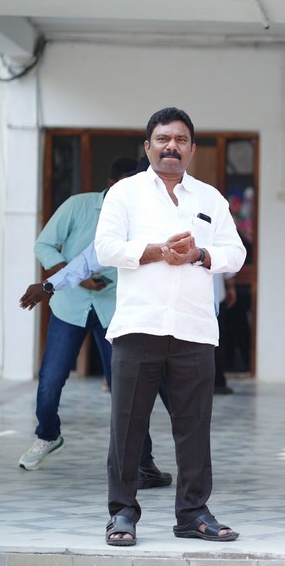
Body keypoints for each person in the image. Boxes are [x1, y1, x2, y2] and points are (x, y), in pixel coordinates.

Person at [95, 107, 246, 546]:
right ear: (148, 147)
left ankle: (193, 514)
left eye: (180, 140)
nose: (171, 147)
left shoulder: (210, 199)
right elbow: (105, 248)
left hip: (193, 328)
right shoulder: (124, 193)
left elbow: (235, 253)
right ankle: (122, 513)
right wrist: (157, 251)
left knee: (194, 427)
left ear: (192, 149)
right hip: (138, 325)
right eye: (162, 139)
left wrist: (199, 254)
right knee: (127, 426)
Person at [17, 157, 169, 490]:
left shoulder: (140, 215)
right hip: (69, 306)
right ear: (111, 184)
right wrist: (63, 276)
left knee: (125, 388)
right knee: (51, 379)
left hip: (115, 310)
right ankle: (48, 435)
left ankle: (143, 463)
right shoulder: (79, 206)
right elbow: (45, 244)